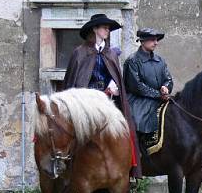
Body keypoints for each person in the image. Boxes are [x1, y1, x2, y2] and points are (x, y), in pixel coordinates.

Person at [63, 13, 140, 178]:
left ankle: (124, 170)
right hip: (85, 100)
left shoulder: (110, 54)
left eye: (109, 28)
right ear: (95, 29)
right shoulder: (80, 53)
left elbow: (116, 76)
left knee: (125, 126)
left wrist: (114, 85)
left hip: (108, 99)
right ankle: (69, 168)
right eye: (105, 27)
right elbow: (73, 81)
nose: (107, 31)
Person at [123, 29, 174, 150]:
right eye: (152, 40)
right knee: (139, 119)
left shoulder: (160, 60)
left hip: (160, 98)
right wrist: (158, 94)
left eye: (156, 40)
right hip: (138, 101)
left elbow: (169, 79)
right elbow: (136, 87)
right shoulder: (132, 61)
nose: (156, 43)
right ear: (142, 41)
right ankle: (139, 150)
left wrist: (166, 87)